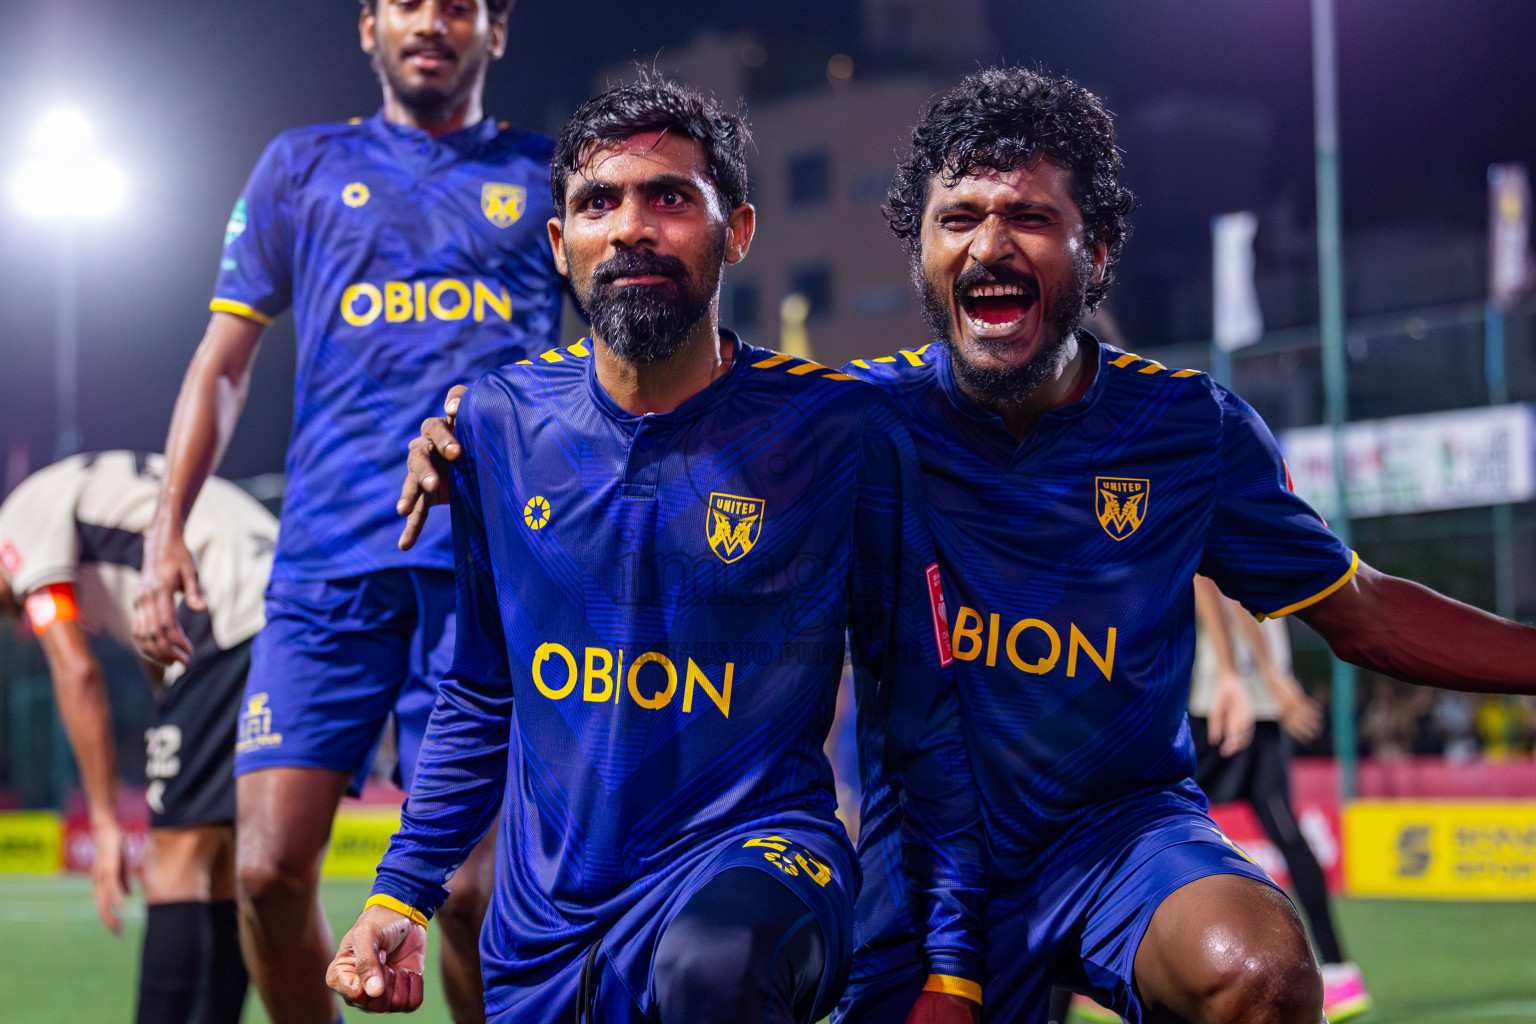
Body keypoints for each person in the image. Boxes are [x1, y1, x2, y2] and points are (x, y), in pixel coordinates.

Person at [401, 67, 1536, 1024]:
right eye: (959, 219)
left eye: (1033, 217)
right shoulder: (852, 425)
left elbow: (1364, 607)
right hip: (916, 855)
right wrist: (466, 439)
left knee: (1265, 969)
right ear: (924, 254)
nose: (993, 244)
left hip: (1119, 841)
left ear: (1098, 248)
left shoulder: (1190, 432)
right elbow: (661, 430)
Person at [326, 75, 986, 1024]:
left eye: (671, 197)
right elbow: (479, 689)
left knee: (712, 970)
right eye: (599, 201)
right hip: (545, 935)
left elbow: (923, 713)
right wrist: (403, 892)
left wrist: (950, 964)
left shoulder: (840, 431)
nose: (632, 226)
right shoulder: (501, 425)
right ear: (560, 245)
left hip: (763, 861)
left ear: (739, 231)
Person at [130, 1, 564, 1021]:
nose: (433, 22)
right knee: (269, 875)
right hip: (326, 569)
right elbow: (223, 364)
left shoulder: (548, 176)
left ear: (495, 32)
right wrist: (165, 532)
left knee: (472, 895)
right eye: (408, 2)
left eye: (460, 5)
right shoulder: (300, 167)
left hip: (489, 577)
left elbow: (623, 355)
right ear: (367, 25)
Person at [0, 451, 275, 1024]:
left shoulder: (17, 529)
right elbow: (157, 646)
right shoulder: (74, 499)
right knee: (226, 861)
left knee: (173, 854)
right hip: (290, 603)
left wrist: (102, 822)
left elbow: (76, 672)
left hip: (227, 610)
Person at [1189, 575, 1370, 1021]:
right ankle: (1338, 966)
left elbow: (1219, 587)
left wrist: (1260, 674)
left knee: (1146, 818)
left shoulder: (1206, 512)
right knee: (1284, 829)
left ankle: (1090, 973)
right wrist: (1273, 676)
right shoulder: (1258, 515)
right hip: (1251, 700)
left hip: (1224, 701)